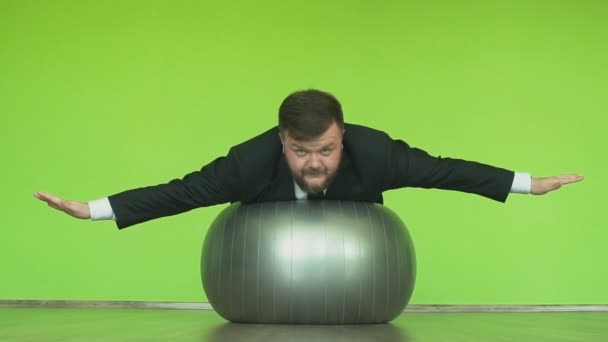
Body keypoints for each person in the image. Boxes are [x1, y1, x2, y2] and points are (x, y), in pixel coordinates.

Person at [34, 89, 583, 229]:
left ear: (343, 136)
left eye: (326, 149)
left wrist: (525, 183)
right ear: (281, 141)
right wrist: (92, 209)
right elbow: (183, 191)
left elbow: (445, 169)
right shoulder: (248, 163)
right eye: (301, 152)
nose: (315, 163)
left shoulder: (379, 155)